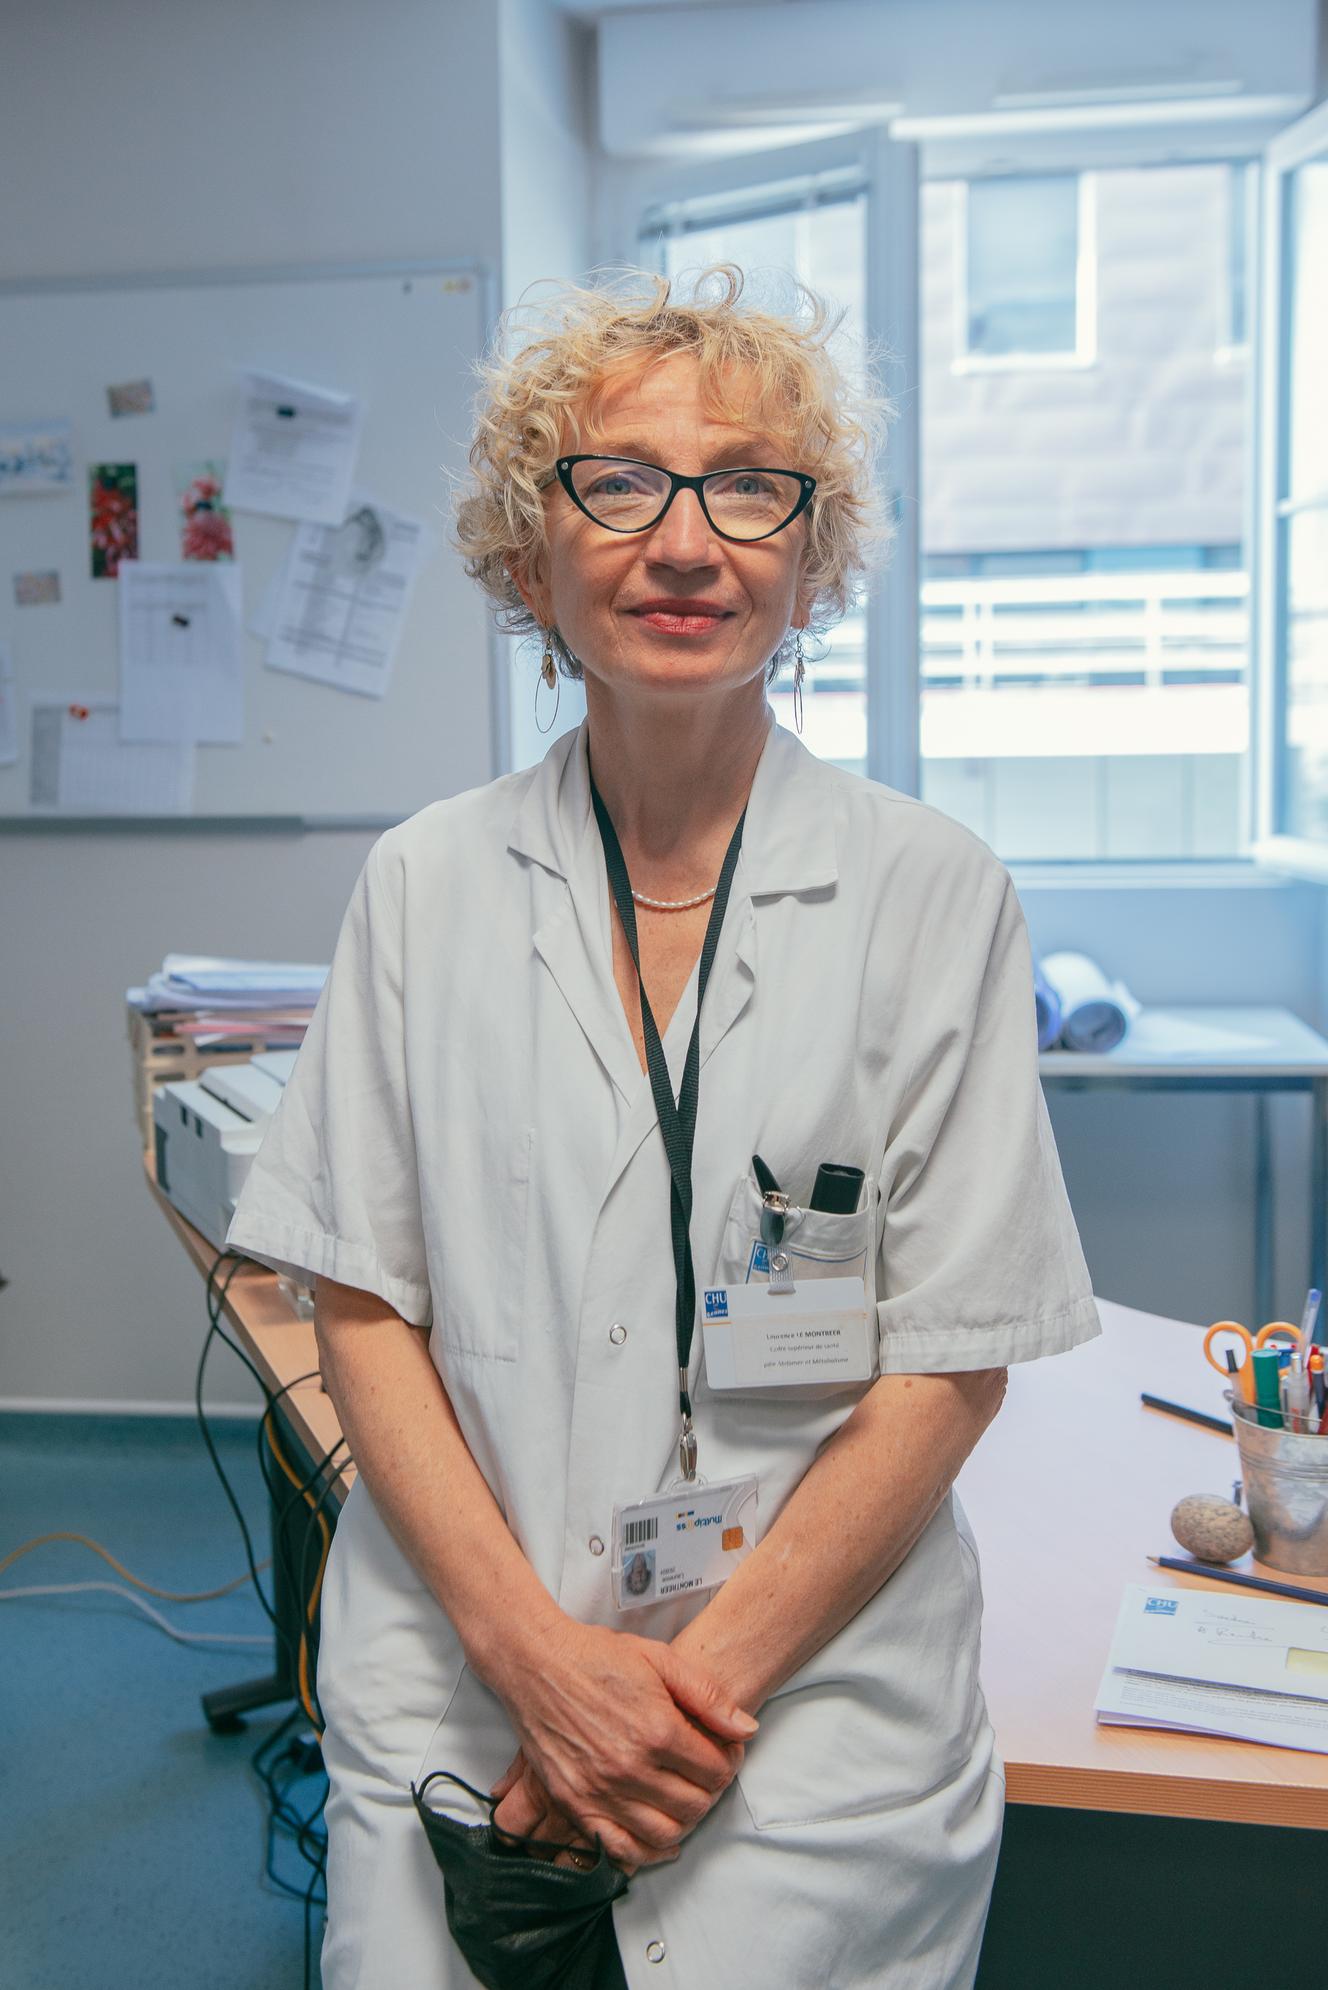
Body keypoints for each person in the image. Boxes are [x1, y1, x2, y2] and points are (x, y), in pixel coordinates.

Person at [226, 262, 1101, 1988]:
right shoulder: (423, 888)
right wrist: (542, 1665)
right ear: (526, 546)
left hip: (805, 1712)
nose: (686, 540)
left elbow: (949, 1366)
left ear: (809, 550)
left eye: (750, 487)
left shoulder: (934, 897)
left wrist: (682, 1697)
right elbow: (360, 1308)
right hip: (471, 1684)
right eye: (617, 481)